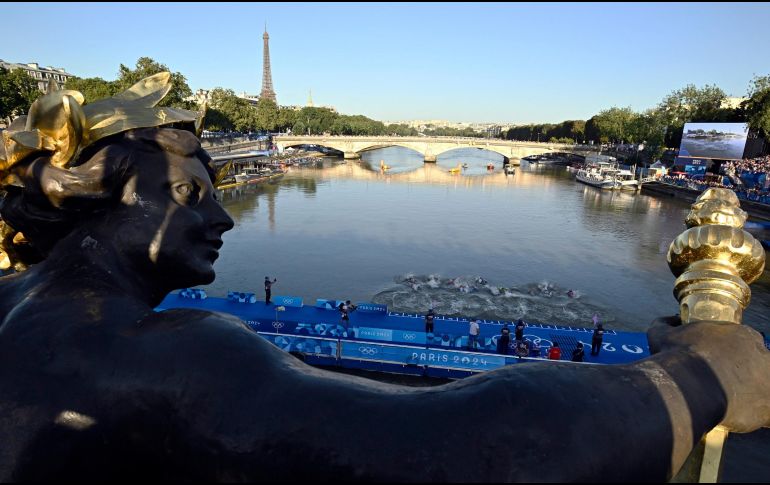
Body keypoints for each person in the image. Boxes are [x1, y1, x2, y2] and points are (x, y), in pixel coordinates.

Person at [1, 74, 769, 482]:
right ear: (101, 193)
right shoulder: (173, 354)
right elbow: (473, 450)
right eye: (192, 192)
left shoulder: (19, 304)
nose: (223, 218)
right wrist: (698, 376)